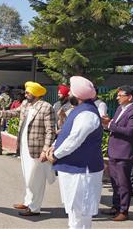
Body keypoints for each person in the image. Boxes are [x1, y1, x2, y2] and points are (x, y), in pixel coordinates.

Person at [0, 81, 56, 216]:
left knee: (36, 178)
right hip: (24, 146)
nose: (25, 94)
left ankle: (35, 208)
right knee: (27, 176)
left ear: (35, 93)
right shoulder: (25, 104)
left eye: (27, 92)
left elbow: (50, 131)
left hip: (37, 148)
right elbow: (14, 113)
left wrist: (45, 149)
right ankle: (27, 201)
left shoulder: (46, 107)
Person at [45, 76, 104, 229]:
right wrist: (54, 146)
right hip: (74, 170)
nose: (69, 92)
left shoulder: (87, 114)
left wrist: (56, 155)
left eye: (71, 90)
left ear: (78, 94)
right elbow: (66, 132)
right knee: (74, 211)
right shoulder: (79, 110)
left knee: (80, 213)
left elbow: (74, 140)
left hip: (82, 171)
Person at [100, 85, 133, 221]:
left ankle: (124, 211)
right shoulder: (120, 109)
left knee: (123, 183)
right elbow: (116, 128)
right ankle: (116, 206)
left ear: (129, 97)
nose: (117, 97)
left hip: (124, 153)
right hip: (114, 151)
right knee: (114, 181)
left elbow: (130, 131)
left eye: (120, 95)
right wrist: (107, 125)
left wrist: (110, 124)